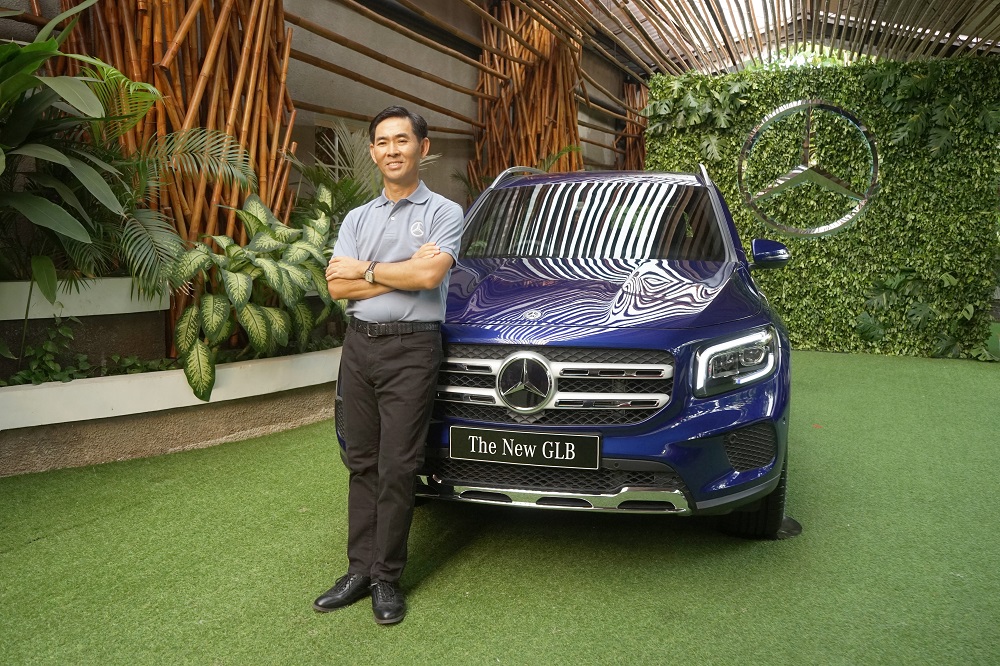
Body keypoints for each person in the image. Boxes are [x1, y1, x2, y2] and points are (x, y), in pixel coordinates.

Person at [313, 106, 464, 625]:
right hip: (359, 346)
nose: (392, 149)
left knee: (398, 466)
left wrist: (368, 270)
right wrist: (403, 270)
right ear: (374, 151)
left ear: (423, 147)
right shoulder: (358, 218)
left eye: (402, 139)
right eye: (382, 141)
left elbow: (429, 279)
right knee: (362, 462)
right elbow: (338, 287)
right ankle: (358, 570)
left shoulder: (445, 212)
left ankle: (386, 579)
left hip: (412, 349)